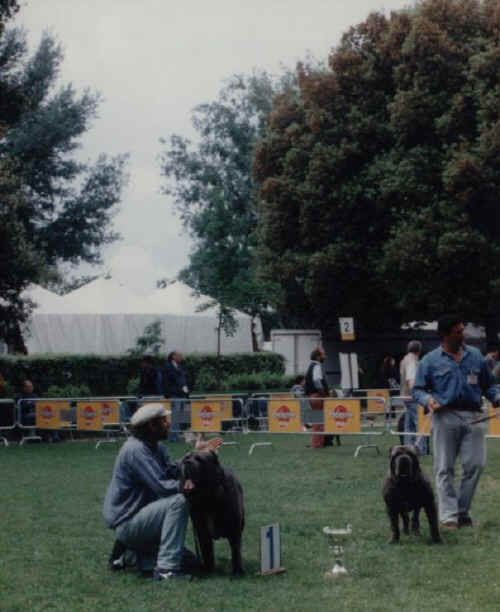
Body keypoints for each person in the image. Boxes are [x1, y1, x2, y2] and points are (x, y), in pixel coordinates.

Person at [103, 402, 222, 581]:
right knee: (180, 500)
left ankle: (128, 556)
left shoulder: (155, 447)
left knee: (191, 562)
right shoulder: (136, 450)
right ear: (152, 425)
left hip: (143, 519)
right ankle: (166, 570)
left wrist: (195, 454)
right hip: (129, 522)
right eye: (164, 421)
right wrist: (190, 486)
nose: (168, 424)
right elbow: (162, 487)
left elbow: (172, 470)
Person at [413, 315, 500, 530]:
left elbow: (489, 385)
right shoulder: (430, 360)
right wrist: (428, 400)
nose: (463, 335)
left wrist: (497, 398)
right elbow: (418, 389)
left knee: (476, 465)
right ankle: (449, 516)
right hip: (445, 417)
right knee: (444, 468)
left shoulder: (476, 356)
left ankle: (462, 511)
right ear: (445, 335)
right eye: (458, 331)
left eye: (463, 330)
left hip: (475, 417)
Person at [305, 348, 339, 448]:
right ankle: (318, 444)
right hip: (317, 396)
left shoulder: (310, 366)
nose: (325, 357)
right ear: (318, 356)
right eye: (323, 355)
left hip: (312, 396)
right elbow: (317, 381)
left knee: (317, 422)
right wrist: (324, 394)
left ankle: (316, 443)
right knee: (319, 423)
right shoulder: (317, 366)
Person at [400, 340, 428, 455]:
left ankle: (408, 449)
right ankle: (421, 450)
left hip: (405, 396)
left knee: (409, 425)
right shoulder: (412, 361)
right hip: (413, 397)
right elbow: (411, 380)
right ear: (419, 350)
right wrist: (418, 395)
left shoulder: (404, 360)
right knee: (420, 424)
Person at [163, 351, 189, 442]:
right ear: (174, 356)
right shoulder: (168, 367)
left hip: (182, 395)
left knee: (179, 416)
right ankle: (173, 437)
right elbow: (167, 382)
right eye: (180, 355)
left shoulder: (180, 367)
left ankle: (177, 435)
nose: (182, 357)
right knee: (175, 416)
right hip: (174, 395)